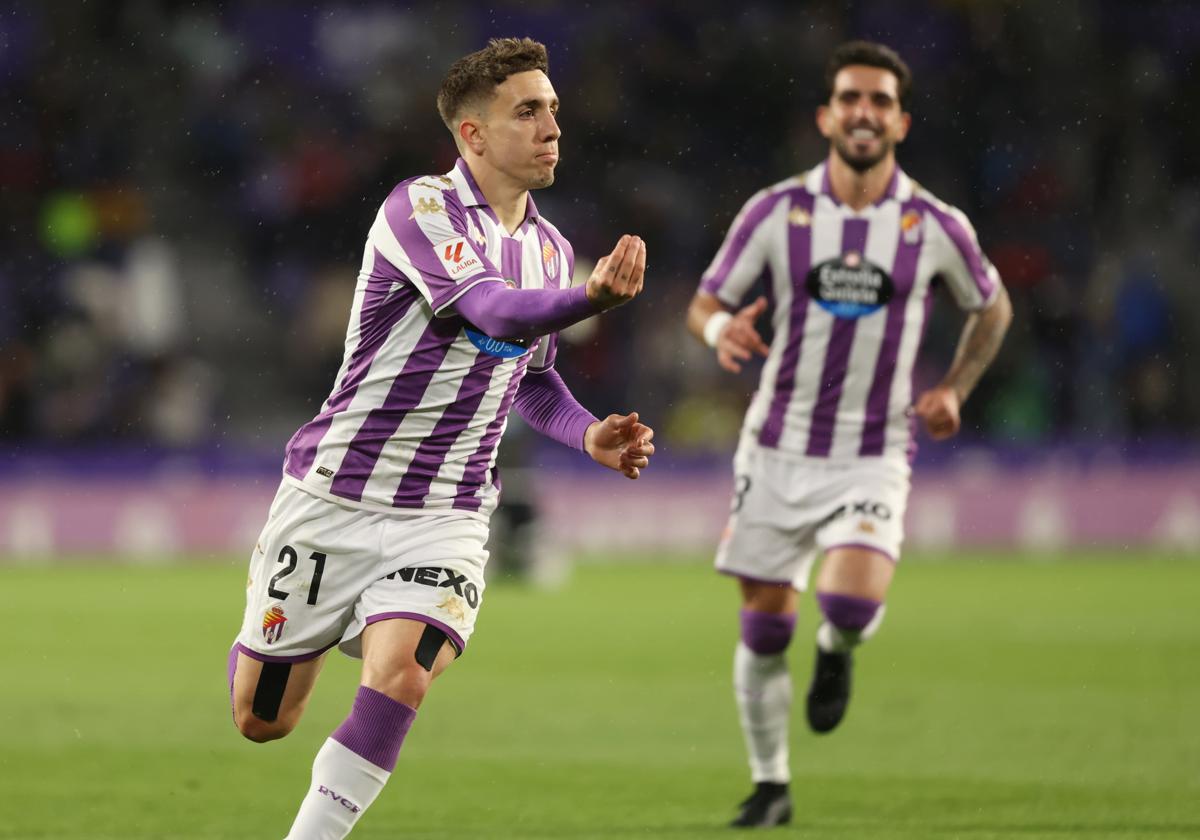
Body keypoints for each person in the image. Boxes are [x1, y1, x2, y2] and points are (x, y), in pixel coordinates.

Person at [227, 37, 654, 839]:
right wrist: (589, 299)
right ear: (473, 135)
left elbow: (528, 374)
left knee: (402, 679)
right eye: (527, 111)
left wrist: (589, 432)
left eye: (554, 110)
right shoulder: (418, 210)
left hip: (448, 512)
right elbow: (494, 311)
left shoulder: (551, 249)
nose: (550, 126)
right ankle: (291, 628)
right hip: (335, 493)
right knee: (263, 718)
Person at [686, 40, 1012, 828]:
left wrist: (955, 390)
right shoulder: (774, 211)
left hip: (871, 452)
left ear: (900, 120)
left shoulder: (934, 224)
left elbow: (992, 306)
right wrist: (722, 329)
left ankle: (838, 651)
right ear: (827, 115)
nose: (863, 112)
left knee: (849, 602)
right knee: (764, 627)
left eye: (879, 101)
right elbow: (704, 301)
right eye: (850, 98)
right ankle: (771, 786)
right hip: (775, 445)